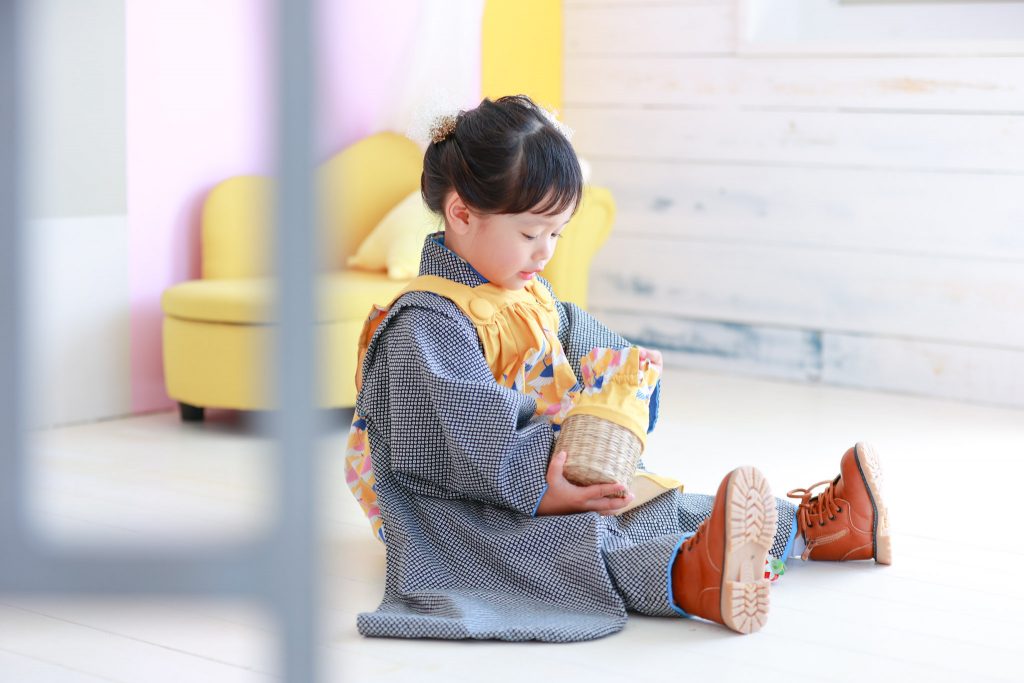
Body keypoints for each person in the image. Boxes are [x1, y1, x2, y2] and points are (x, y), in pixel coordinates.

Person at [344, 95, 892, 642]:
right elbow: (462, 437)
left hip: (544, 469)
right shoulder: (423, 325)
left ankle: (817, 530)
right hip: (460, 507)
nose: (545, 254)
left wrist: (630, 364)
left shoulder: (525, 293)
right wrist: (542, 491)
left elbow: (576, 336)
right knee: (571, 543)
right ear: (462, 214)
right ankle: (688, 575)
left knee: (653, 502)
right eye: (531, 234)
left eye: (556, 235)